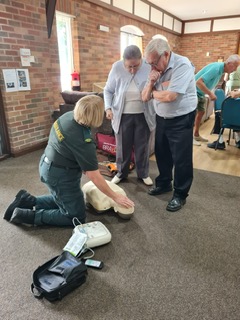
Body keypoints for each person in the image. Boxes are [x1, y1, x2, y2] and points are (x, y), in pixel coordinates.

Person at [3, 95, 134, 227]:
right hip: (60, 177)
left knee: (67, 200)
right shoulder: (84, 142)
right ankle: (27, 215)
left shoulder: (67, 116)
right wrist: (115, 196)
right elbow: (94, 176)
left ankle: (27, 200)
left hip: (46, 164)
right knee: (76, 216)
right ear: (97, 116)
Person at [142, 38, 197, 212]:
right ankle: (164, 183)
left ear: (165, 54)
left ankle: (180, 194)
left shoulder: (183, 65)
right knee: (162, 153)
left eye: (154, 63)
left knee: (181, 159)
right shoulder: (154, 68)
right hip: (162, 118)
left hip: (181, 119)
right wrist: (151, 83)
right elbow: (144, 97)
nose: (151, 67)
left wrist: (153, 93)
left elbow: (170, 96)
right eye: (148, 63)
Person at [104, 45, 156, 186]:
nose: (132, 70)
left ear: (142, 59)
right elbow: (108, 90)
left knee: (142, 147)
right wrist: (108, 108)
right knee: (122, 147)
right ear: (123, 62)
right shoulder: (116, 67)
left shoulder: (149, 66)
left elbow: (156, 88)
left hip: (143, 114)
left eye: (136, 66)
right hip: (122, 115)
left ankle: (143, 174)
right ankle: (121, 173)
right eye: (129, 67)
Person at [193, 55, 240, 146]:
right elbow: (198, 82)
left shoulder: (221, 70)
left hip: (200, 93)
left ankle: (196, 134)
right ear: (229, 63)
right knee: (190, 115)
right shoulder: (216, 68)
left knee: (201, 112)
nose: (235, 70)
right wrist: (210, 94)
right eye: (235, 66)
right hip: (194, 91)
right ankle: (189, 138)